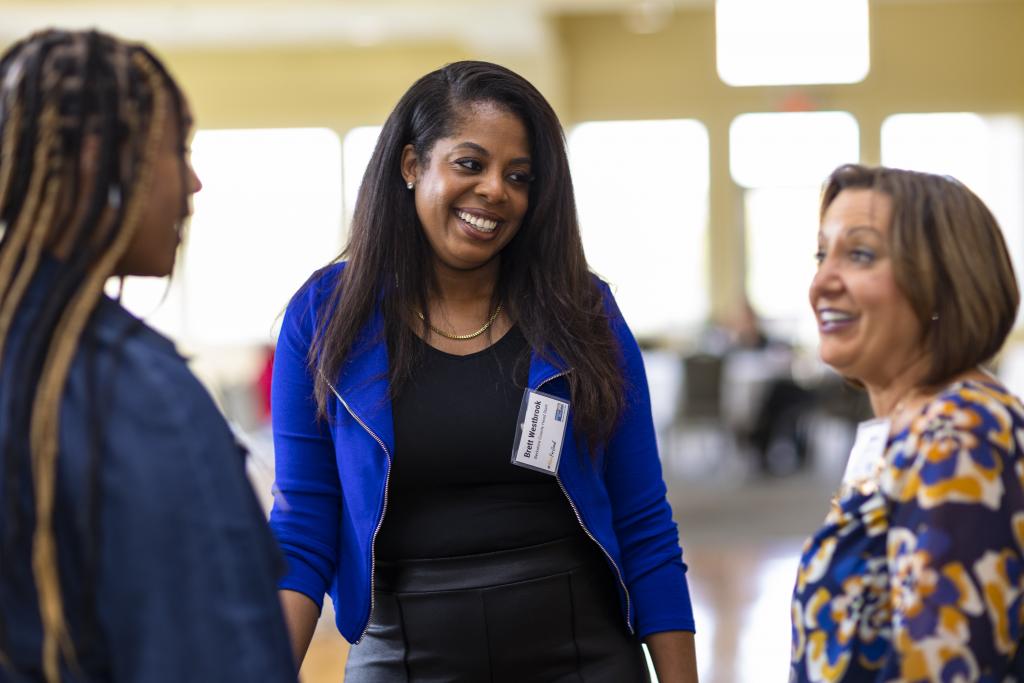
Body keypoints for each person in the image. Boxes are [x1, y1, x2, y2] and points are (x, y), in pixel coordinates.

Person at [270, 60, 697, 682]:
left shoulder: (583, 311)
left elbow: (643, 519)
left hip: (582, 651)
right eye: (470, 164)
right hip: (405, 653)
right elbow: (304, 525)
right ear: (413, 165)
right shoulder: (326, 315)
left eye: (518, 176)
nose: (497, 190)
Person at [0, 29, 296, 682]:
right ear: (99, 160)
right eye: (176, 150)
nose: (193, 182)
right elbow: (221, 656)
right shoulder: (133, 391)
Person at [791, 164, 1024, 680]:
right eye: (821, 254)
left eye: (860, 254)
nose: (822, 282)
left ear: (942, 283)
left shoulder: (963, 433)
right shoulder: (909, 429)